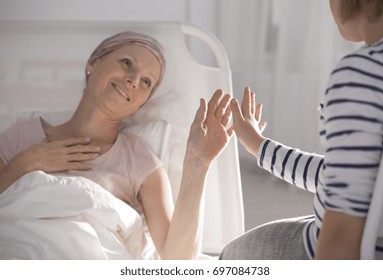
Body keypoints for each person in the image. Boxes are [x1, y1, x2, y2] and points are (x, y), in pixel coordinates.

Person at [0, 31, 233, 260]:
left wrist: (198, 162)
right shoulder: (21, 136)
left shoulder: (140, 161)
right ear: (93, 63)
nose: (133, 80)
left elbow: (178, 259)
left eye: (146, 82)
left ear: (141, 104)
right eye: (126, 63)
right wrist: (26, 162)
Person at [220, 0, 383, 259]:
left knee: (229, 257)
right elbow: (348, 178)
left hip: (343, 251)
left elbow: (341, 235)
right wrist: (259, 145)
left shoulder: (363, 75)